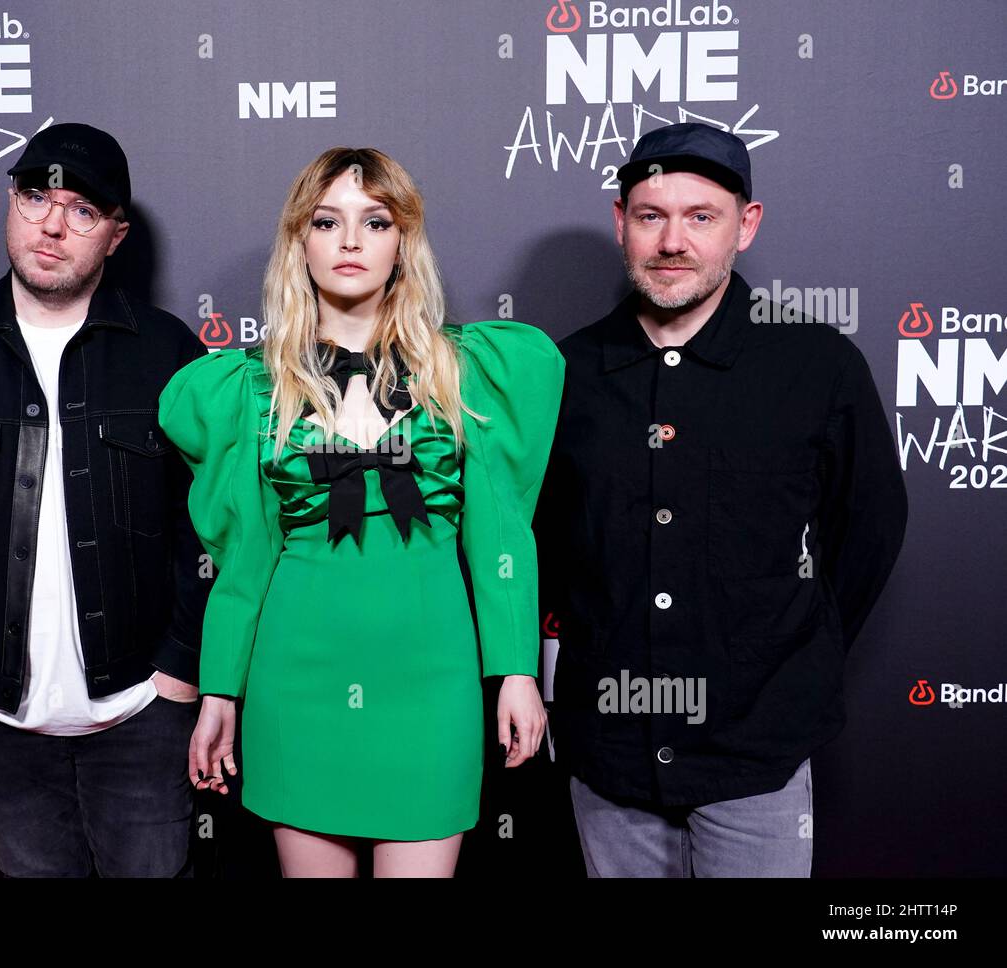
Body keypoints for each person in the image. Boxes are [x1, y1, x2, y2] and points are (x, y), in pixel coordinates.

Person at [158, 147, 564, 877]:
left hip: (431, 684)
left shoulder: (469, 371)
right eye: (327, 221)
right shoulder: (247, 390)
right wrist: (220, 688)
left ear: (402, 241)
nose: (350, 241)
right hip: (297, 684)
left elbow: (501, 533)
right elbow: (246, 559)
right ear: (299, 242)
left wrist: (516, 670)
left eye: (375, 221)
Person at [535, 122, 908, 877]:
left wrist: (791, 661)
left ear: (747, 225)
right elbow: (542, 549)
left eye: (701, 216)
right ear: (621, 223)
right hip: (607, 752)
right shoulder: (562, 371)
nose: (674, 241)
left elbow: (868, 529)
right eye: (651, 216)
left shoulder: (817, 364)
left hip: (756, 752)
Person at [0, 122, 210, 876]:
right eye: (35, 196)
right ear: (11, 200)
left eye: (83, 210)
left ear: (116, 236)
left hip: (140, 714)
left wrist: (182, 668)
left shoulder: (170, 354)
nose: (52, 224)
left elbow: (210, 531)